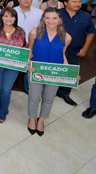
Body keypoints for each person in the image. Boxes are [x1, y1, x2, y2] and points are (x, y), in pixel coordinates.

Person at [27, 8, 72, 136]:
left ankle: (41, 120)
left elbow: (62, 55)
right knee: (34, 97)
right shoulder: (34, 33)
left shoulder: (67, 37)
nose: (51, 21)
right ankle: (32, 118)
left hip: (54, 73)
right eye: (47, 18)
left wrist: (70, 73)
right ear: (43, 19)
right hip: (36, 70)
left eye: (54, 18)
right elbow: (29, 52)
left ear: (60, 20)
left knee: (49, 98)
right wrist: (28, 64)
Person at [0, 7, 27, 122]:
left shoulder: (21, 31)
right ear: (2, 17)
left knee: (6, 90)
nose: (9, 18)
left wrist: (26, 57)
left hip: (12, 66)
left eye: (12, 16)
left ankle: (3, 112)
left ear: (15, 18)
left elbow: (23, 47)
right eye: (6, 16)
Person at [57, 0, 95, 106]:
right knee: (55, 70)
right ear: (65, 3)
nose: (77, 4)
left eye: (79, 2)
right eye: (74, 2)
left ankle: (64, 92)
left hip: (75, 51)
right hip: (57, 50)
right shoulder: (57, 14)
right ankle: (50, 90)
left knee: (70, 72)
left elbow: (91, 32)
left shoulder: (85, 16)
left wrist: (85, 49)